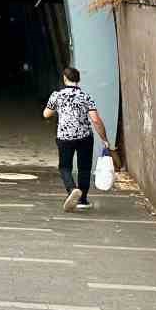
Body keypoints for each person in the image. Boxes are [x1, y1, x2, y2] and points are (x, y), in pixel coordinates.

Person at [43, 66, 109, 211]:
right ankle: (83, 200)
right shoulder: (86, 97)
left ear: (65, 79)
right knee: (84, 168)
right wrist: (104, 139)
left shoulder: (57, 95)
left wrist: (59, 109)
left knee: (65, 167)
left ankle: (72, 189)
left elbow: (46, 114)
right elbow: (95, 120)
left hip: (65, 137)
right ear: (78, 80)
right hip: (84, 137)